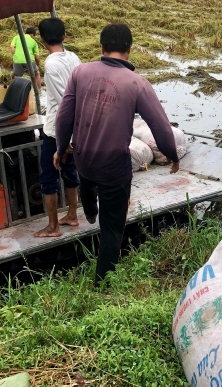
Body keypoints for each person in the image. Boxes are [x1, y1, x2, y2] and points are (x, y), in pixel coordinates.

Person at [54, 23, 179, 285]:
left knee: (87, 179)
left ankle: (89, 210)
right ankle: (102, 283)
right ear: (129, 51)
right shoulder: (137, 83)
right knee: (112, 228)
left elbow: (64, 116)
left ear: (101, 47)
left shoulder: (80, 72)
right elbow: (161, 127)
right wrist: (172, 155)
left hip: (83, 157)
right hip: (113, 166)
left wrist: (60, 147)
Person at [34, 17, 82, 238]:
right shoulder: (73, 57)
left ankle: (53, 227)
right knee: (71, 173)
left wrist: (64, 141)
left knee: (48, 178)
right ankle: (72, 215)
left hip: (57, 130)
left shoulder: (51, 64)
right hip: (75, 128)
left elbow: (65, 102)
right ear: (64, 36)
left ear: (42, 40)